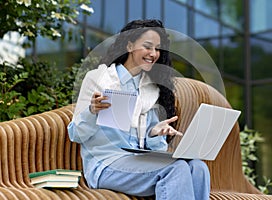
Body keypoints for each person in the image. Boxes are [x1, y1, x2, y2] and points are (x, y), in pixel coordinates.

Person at [67, 19, 210, 200]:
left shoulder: (151, 89)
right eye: (148, 47)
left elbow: (153, 149)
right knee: (176, 168)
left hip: (139, 163)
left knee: (198, 168)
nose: (154, 53)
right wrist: (91, 111)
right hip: (106, 163)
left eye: (157, 49)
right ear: (129, 46)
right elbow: (76, 134)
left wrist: (155, 134)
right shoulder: (98, 79)